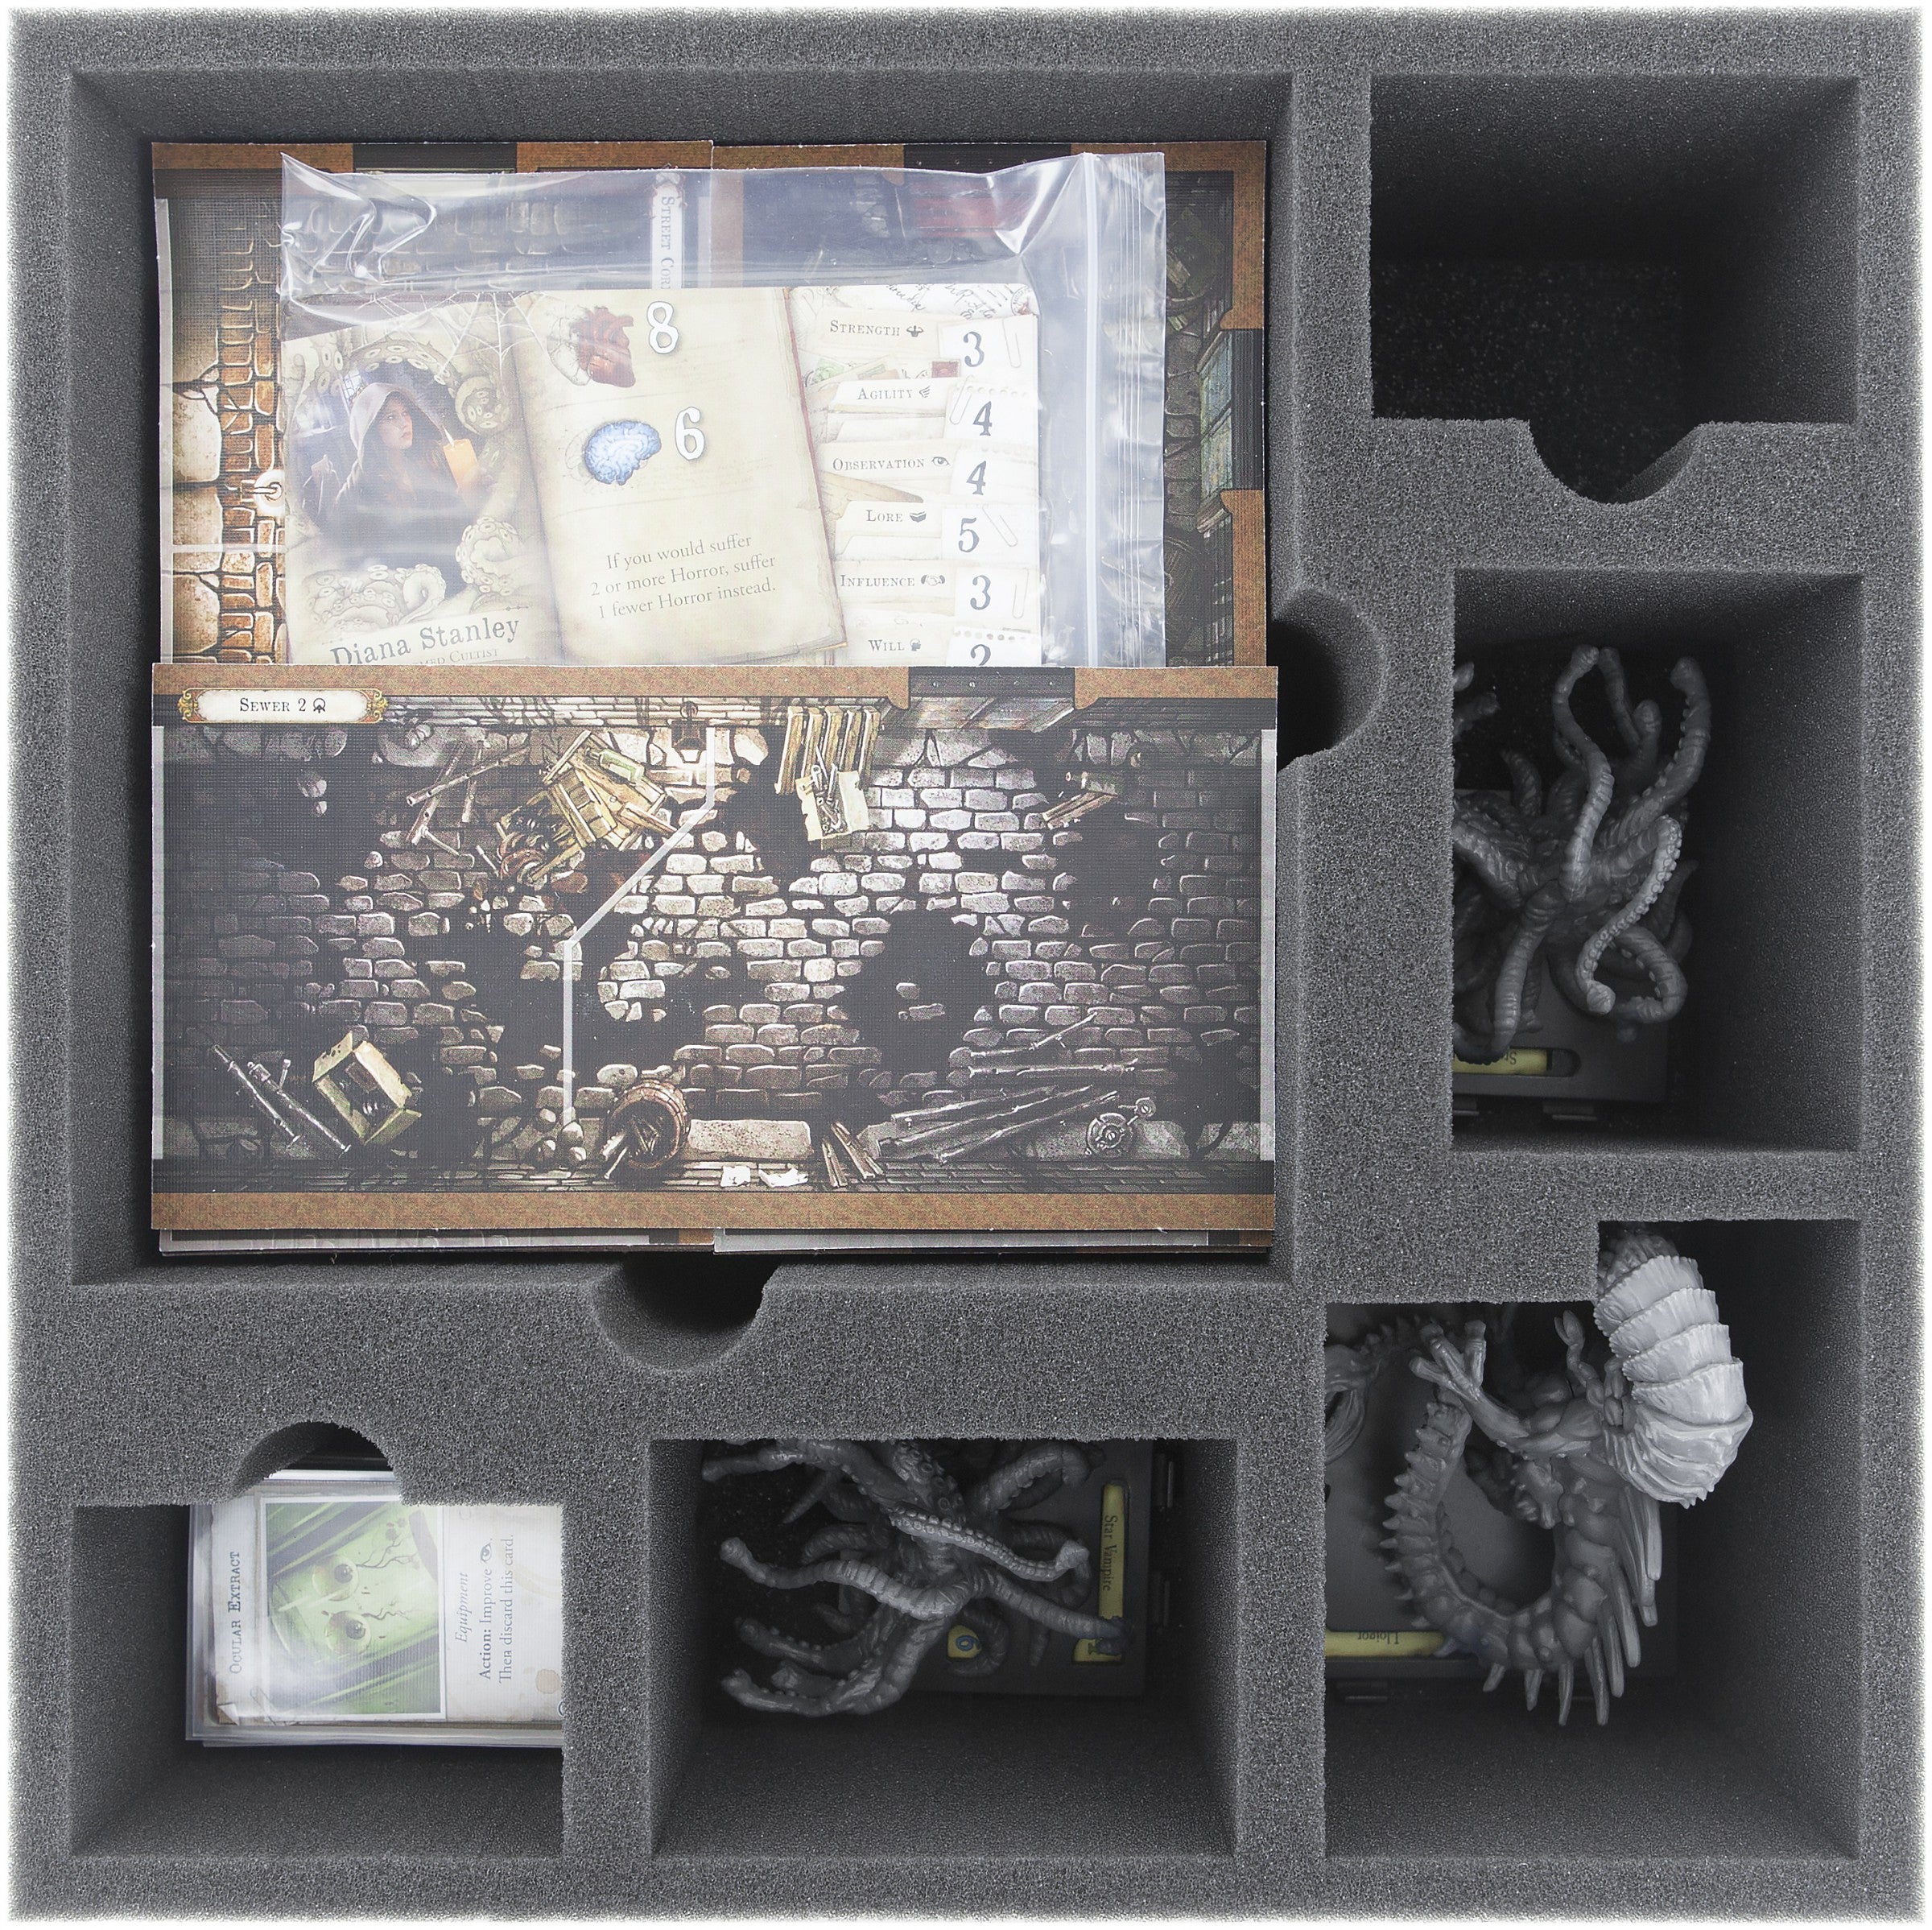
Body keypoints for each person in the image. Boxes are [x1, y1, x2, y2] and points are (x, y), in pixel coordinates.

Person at [327, 382, 481, 591]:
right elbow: (346, 549)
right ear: (371, 430)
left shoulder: (429, 459)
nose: (404, 423)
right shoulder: (361, 487)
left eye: (405, 413)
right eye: (391, 417)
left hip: (457, 572)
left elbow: (455, 524)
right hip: (410, 589)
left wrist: (471, 497)